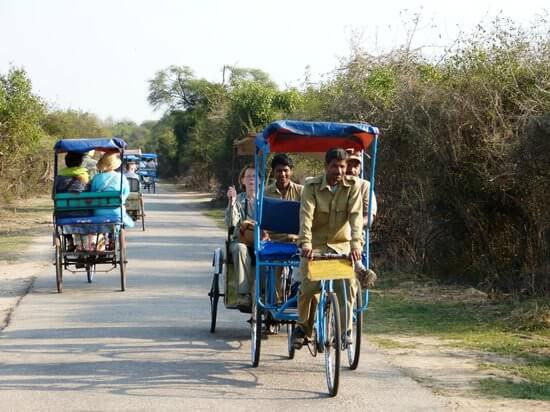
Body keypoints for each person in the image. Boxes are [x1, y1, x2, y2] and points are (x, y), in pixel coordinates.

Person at [292, 148, 363, 349]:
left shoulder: (353, 187)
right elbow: (306, 216)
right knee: (308, 288)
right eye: (335, 166)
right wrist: (305, 243)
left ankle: (345, 330)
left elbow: (356, 218)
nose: (339, 171)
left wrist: (356, 244)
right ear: (326, 166)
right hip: (315, 247)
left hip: (342, 246)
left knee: (348, 285)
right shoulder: (311, 187)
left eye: (342, 166)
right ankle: (303, 328)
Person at [225, 164, 267, 307]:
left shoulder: (266, 200)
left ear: (260, 180)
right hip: (242, 240)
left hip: (261, 240)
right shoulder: (239, 199)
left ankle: (264, 293)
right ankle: (244, 295)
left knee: (267, 251)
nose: (251, 179)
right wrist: (232, 202)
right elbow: (231, 223)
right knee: (239, 249)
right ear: (242, 180)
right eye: (248, 176)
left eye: (255, 176)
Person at [264, 153, 303, 302]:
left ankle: (297, 295)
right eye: (279, 170)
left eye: (286, 170)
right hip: (274, 241)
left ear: (291, 171)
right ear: (273, 172)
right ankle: (274, 302)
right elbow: (259, 219)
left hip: (297, 240)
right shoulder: (265, 193)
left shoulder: (302, 191)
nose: (283, 174)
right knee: (273, 269)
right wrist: (263, 232)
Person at [91, 153, 135, 229]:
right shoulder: (121, 177)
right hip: (116, 211)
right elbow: (126, 192)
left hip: (99, 212)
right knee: (121, 219)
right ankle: (118, 234)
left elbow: (92, 193)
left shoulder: (96, 178)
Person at [345, 149, 377, 224]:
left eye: (356, 166)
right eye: (348, 165)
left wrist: (354, 226)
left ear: (360, 169)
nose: (351, 170)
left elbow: (369, 217)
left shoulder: (365, 186)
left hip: (355, 232)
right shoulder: (334, 184)